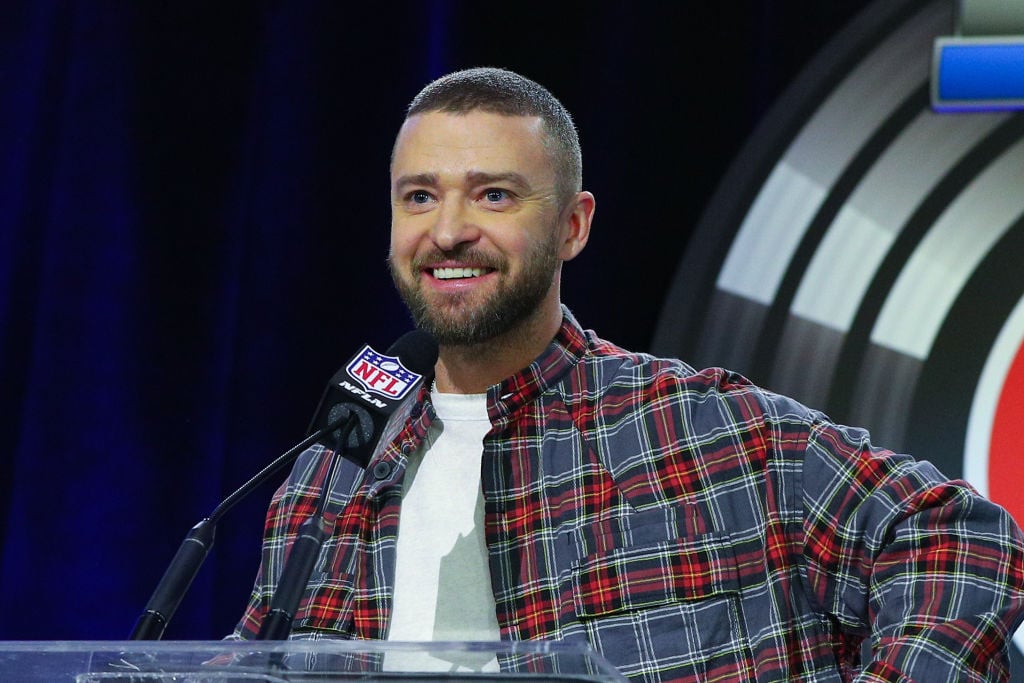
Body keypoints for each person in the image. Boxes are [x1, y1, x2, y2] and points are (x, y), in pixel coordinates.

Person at [233, 67, 1024, 681]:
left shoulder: (705, 428)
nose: (448, 230)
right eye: (419, 197)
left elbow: (965, 543)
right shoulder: (328, 478)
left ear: (572, 226)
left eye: (494, 195)